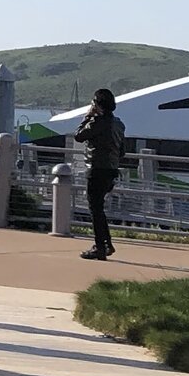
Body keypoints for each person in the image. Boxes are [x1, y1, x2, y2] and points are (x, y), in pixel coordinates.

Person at [75, 88, 125, 261]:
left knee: (95, 209)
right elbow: (122, 151)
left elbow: (79, 136)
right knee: (99, 208)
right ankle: (106, 244)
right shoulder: (118, 124)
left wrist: (88, 115)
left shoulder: (97, 122)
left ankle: (100, 247)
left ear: (97, 104)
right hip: (111, 169)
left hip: (97, 169)